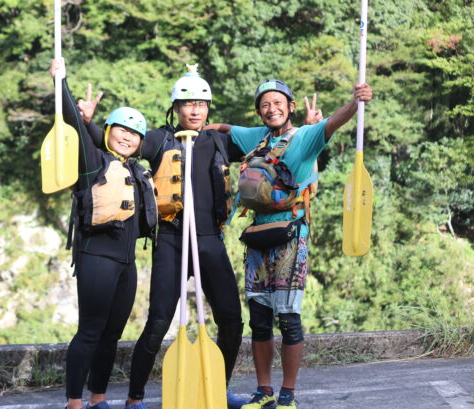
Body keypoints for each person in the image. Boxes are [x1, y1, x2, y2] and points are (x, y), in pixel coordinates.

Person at [81, 64, 248, 409]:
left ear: (208, 109)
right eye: (188, 104)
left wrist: (230, 126)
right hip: (171, 241)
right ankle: (134, 398)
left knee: (232, 320)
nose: (195, 110)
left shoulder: (220, 140)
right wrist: (87, 122)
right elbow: (115, 144)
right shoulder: (160, 140)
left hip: (208, 241)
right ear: (176, 108)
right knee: (158, 322)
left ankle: (218, 389)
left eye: (202, 104)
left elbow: (269, 137)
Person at [207, 79, 373, 409]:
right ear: (259, 111)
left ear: (291, 107)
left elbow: (334, 121)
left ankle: (287, 394)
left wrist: (356, 103)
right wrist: (199, 127)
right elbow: (224, 127)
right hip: (257, 236)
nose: (272, 109)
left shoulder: (306, 137)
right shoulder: (255, 137)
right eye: (265, 105)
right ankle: (263, 390)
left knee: (288, 317)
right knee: (258, 318)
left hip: (291, 236)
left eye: (278, 103)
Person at [49, 58, 158, 409]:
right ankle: (74, 402)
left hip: (127, 263)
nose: (126, 136)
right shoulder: (93, 160)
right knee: (91, 331)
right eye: (120, 129)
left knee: (112, 334)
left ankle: (98, 399)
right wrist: (60, 81)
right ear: (108, 131)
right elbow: (71, 123)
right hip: (97, 257)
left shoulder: (135, 170)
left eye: (134, 133)